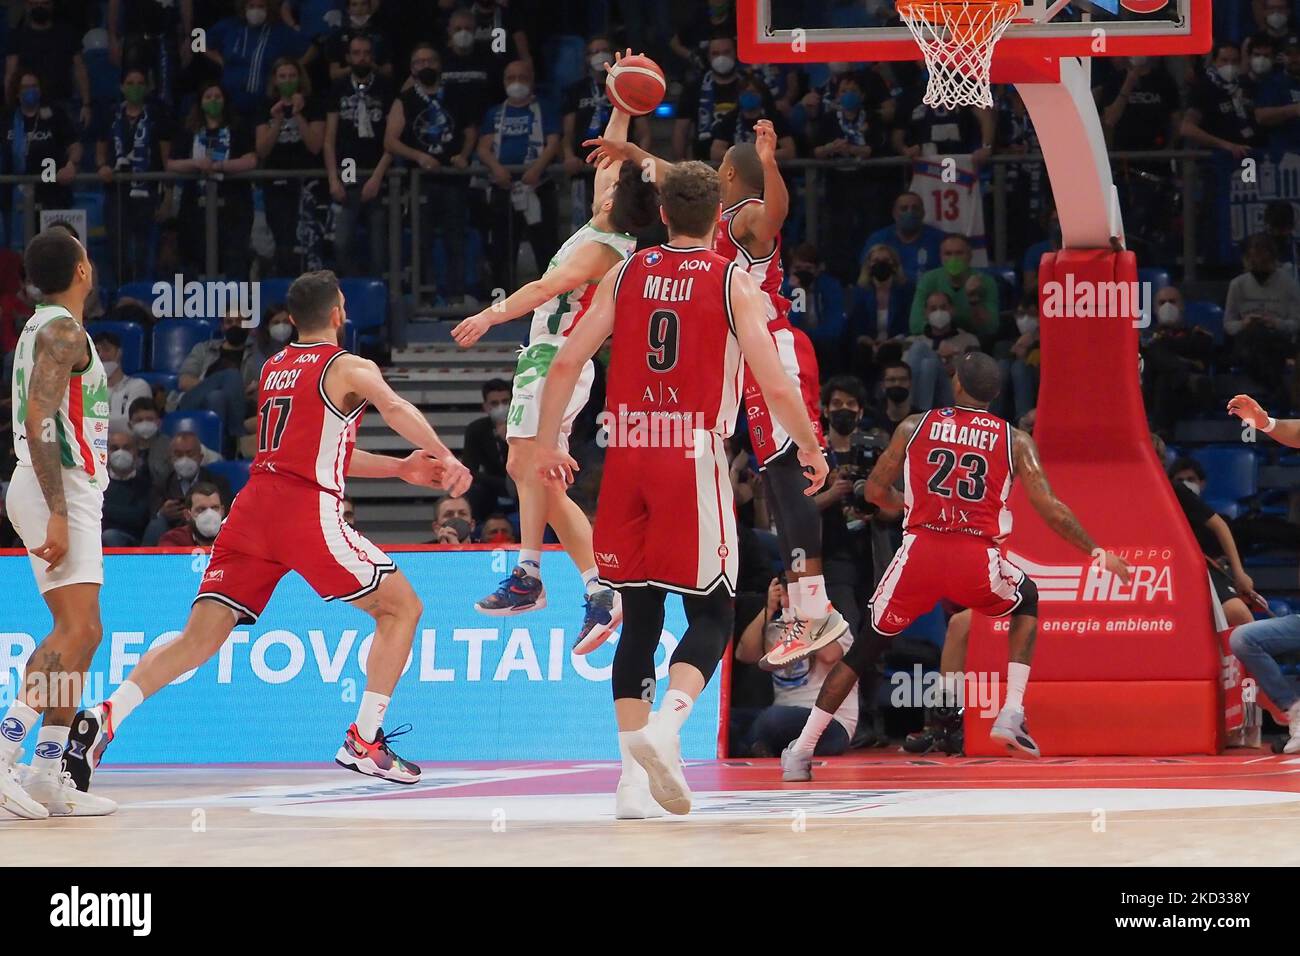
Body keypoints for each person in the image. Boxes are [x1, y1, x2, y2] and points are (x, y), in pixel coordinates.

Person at [63, 270, 473, 793]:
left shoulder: (277, 367)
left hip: (253, 508)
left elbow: (322, 450)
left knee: (198, 639)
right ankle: (364, 739)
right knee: (403, 608)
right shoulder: (347, 364)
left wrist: (399, 469)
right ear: (338, 313)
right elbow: (393, 407)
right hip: (303, 510)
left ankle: (104, 717)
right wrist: (444, 455)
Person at [531, 160, 829, 818]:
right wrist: (809, 445)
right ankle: (667, 730)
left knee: (639, 620)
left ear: (662, 213)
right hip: (689, 456)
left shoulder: (626, 270)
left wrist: (552, 443)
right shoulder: (732, 280)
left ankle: (629, 785)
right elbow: (775, 382)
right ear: (715, 212)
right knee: (714, 613)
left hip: (624, 452)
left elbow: (569, 358)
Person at [781, 352, 1133, 780]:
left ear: (958, 386)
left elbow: (875, 491)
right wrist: (1096, 550)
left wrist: (905, 504)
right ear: (997, 394)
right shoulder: (1015, 440)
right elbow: (1051, 507)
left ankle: (800, 753)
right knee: (1028, 600)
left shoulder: (915, 426)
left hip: (920, 553)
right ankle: (1011, 711)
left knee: (861, 653)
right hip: (975, 557)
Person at [584, 120, 848, 673]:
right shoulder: (707, 219)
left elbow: (776, 214)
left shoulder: (747, 214)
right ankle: (809, 606)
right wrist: (627, 147)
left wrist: (772, 164)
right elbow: (668, 175)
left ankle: (813, 605)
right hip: (739, 356)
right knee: (775, 477)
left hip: (771, 345)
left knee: (790, 467)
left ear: (728, 175)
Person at [452, 71, 657, 652]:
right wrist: (622, 101)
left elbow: (544, 289)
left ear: (616, 201)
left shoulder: (599, 249)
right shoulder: (607, 223)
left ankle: (562, 581)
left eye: (612, 182)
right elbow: (609, 161)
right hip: (555, 361)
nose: (605, 178)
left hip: (555, 359)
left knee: (529, 467)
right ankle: (556, 580)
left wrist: (491, 316)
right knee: (532, 471)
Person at [0, 229, 116, 818]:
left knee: (84, 632)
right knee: (73, 632)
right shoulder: (63, 330)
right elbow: (40, 415)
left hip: (60, 485)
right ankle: (4, 751)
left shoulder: (41, 327)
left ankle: (47, 768)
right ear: (82, 269)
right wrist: (61, 510)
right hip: (58, 485)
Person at [384, 43, 478, 305]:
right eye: (419, 62)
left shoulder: (457, 94)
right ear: (412, 69)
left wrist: (464, 155)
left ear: (439, 64)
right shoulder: (404, 99)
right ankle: (424, 299)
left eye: (430, 61)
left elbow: (470, 131)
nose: (425, 66)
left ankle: (456, 297)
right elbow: (390, 141)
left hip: (453, 180)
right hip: (420, 183)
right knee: (421, 242)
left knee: (455, 240)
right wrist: (419, 157)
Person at [735, 575, 856, 757]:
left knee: (770, 720)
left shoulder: (832, 622)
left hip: (831, 722)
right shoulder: (777, 628)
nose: (788, 601)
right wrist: (768, 608)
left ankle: (754, 747)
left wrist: (805, 615)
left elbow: (829, 656)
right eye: (785, 594)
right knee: (729, 722)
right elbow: (744, 654)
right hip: (782, 715)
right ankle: (756, 746)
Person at [476, 59, 561, 292]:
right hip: (503, 188)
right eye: (511, 78)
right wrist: (496, 168)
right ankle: (503, 304)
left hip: (538, 187)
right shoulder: (495, 113)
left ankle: (551, 302)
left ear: (531, 80)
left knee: (546, 248)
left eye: (522, 78)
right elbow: (483, 148)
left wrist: (537, 168)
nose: (516, 83)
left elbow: (553, 142)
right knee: (502, 251)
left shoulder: (544, 108)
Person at [166, 82, 258, 278]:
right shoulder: (189, 130)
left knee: (235, 260)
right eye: (208, 97)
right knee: (193, 262)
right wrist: (197, 164)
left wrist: (219, 166)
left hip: (233, 210)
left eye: (218, 97)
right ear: (200, 102)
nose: (213, 101)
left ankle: (235, 308)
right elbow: (172, 164)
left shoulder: (238, 127)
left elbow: (251, 160)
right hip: (195, 210)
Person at [96, 67, 174, 285]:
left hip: (147, 194)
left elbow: (167, 161)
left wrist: (167, 197)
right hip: (116, 194)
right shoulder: (110, 115)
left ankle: (143, 296)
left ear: (147, 87)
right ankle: (120, 295)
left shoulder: (158, 117)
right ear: (122, 87)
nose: (135, 88)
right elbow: (100, 154)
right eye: (130, 83)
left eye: (140, 83)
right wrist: (102, 167)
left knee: (143, 251)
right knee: (117, 250)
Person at [324, 34, 394, 278]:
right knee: (341, 244)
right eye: (356, 53)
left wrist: (377, 177)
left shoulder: (386, 87)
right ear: (348, 57)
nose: (361, 57)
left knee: (379, 249)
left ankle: (377, 298)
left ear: (372, 56)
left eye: (366, 53)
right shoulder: (338, 88)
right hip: (347, 174)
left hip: (379, 175)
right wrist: (333, 179)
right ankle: (353, 293)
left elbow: (393, 138)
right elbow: (329, 138)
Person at [255, 57, 327, 275]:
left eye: (292, 76)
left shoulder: (313, 105)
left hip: (307, 183)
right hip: (276, 184)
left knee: (308, 241)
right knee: (283, 239)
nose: (287, 80)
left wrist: (297, 114)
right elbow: (262, 150)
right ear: (275, 81)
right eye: (282, 76)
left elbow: (315, 145)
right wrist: (277, 119)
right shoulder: (265, 107)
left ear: (300, 78)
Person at [861, 192, 946, 284]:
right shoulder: (879, 238)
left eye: (915, 208)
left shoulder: (940, 239)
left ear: (923, 213)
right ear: (894, 213)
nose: (910, 212)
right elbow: (866, 270)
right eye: (904, 209)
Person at [460, 378, 513, 522]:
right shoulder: (476, 429)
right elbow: (470, 470)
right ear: (485, 407)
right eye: (495, 403)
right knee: (474, 492)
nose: (501, 407)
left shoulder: (527, 428)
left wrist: (508, 441)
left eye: (505, 401)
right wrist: (502, 484)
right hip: (492, 487)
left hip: (522, 485)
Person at [93, 329, 152, 431]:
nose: (101, 355)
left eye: (106, 350)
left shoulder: (138, 386)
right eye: (97, 351)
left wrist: (94, 424)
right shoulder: (88, 389)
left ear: (119, 352)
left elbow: (130, 423)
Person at [102, 428, 151, 547]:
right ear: (107, 452)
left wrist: (104, 508)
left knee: (110, 536)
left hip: (133, 540)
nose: (120, 453)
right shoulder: (99, 482)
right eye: (115, 448)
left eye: (126, 448)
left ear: (136, 452)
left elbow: (139, 517)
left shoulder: (147, 483)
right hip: (99, 539)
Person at [157, 480, 225, 547]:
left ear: (222, 511)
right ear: (187, 515)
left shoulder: (233, 538)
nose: (209, 514)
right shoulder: (173, 540)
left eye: (214, 508)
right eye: (201, 509)